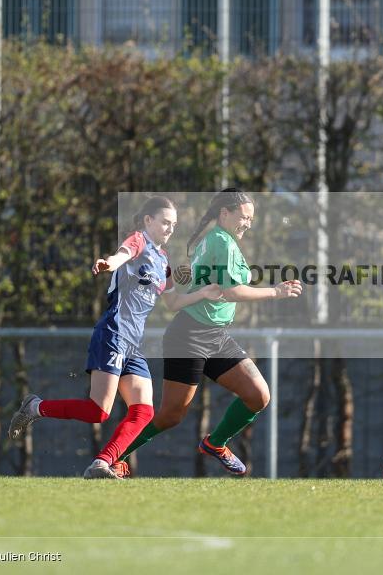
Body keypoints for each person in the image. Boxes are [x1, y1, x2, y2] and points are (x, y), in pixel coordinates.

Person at [7, 196, 221, 479]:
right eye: (165, 222)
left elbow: (172, 302)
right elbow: (121, 255)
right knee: (99, 411)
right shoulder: (139, 240)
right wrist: (108, 263)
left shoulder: (163, 260)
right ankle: (35, 407)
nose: (170, 228)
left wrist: (203, 294)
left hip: (133, 344)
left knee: (143, 412)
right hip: (113, 333)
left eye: (174, 224)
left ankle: (101, 463)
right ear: (148, 220)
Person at [111, 188, 302, 476]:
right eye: (244, 217)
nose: (248, 224)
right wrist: (275, 292)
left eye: (251, 219)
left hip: (215, 335)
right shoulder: (220, 241)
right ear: (225, 213)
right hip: (189, 336)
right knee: (171, 415)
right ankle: (113, 457)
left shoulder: (220, 239)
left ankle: (215, 444)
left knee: (258, 395)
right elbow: (231, 291)